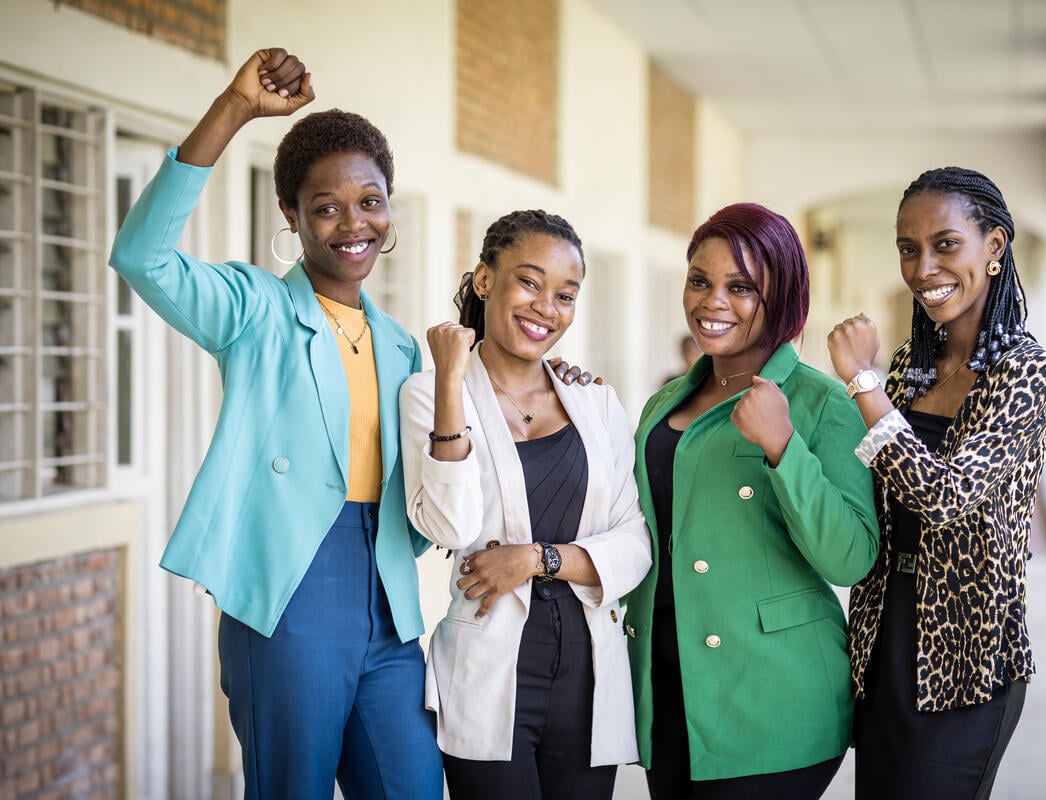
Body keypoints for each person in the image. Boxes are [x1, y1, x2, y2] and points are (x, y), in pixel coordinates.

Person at [108, 49, 443, 798]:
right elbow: (141, 257)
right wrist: (233, 109)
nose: (353, 223)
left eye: (370, 200)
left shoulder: (398, 343)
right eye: (326, 206)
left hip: (389, 598)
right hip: (291, 591)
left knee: (412, 785)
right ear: (292, 217)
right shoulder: (255, 308)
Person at [621, 203, 881, 798]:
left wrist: (783, 445)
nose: (713, 302)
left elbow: (851, 558)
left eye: (741, 288)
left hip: (773, 696)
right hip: (667, 687)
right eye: (700, 281)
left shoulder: (823, 404)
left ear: (781, 295)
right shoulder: (662, 405)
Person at [826, 167, 1046, 799]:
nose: (923, 265)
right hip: (882, 641)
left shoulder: (1027, 372)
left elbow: (943, 496)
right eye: (909, 248)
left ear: (995, 246)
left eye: (945, 243)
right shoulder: (908, 368)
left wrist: (862, 382)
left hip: (969, 654)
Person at [399, 210, 652, 800]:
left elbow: (634, 542)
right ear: (485, 279)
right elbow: (448, 523)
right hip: (487, 668)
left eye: (566, 295)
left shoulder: (597, 403)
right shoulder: (429, 394)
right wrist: (449, 383)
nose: (547, 307)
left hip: (587, 675)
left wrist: (538, 558)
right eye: (530, 282)